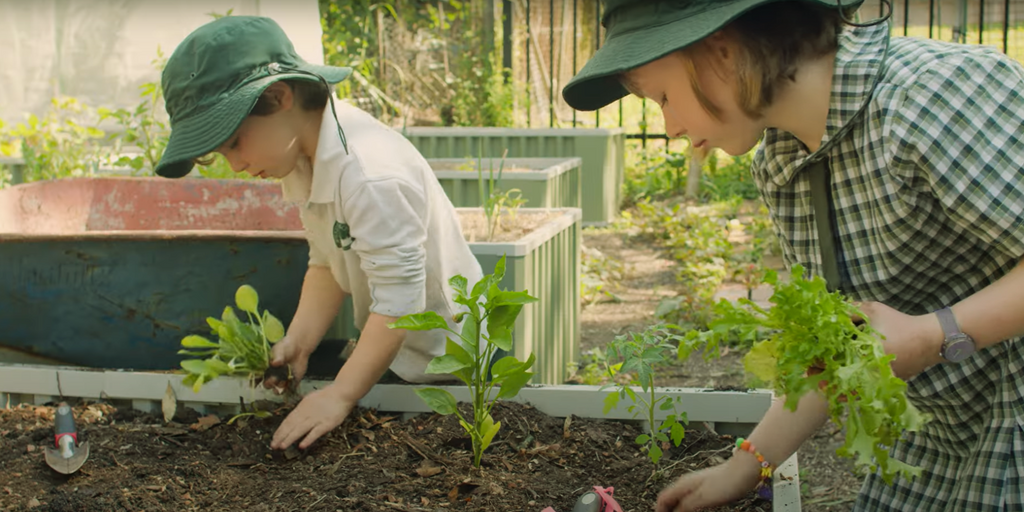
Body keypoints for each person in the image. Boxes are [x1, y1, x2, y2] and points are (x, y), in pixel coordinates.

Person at [563, 1, 1024, 511]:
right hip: (936, 448)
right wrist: (744, 467)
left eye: (664, 97)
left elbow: (922, 337)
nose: (669, 125)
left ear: (723, 52)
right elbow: (833, 347)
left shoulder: (933, 97)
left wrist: (937, 334)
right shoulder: (785, 164)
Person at [155, 16, 483, 452]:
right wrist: (301, 340)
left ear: (278, 96)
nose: (234, 165)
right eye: (220, 154)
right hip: (399, 352)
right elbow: (328, 260)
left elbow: (402, 305)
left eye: (234, 142)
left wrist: (342, 395)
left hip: (450, 363)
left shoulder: (369, 174)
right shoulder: (304, 159)